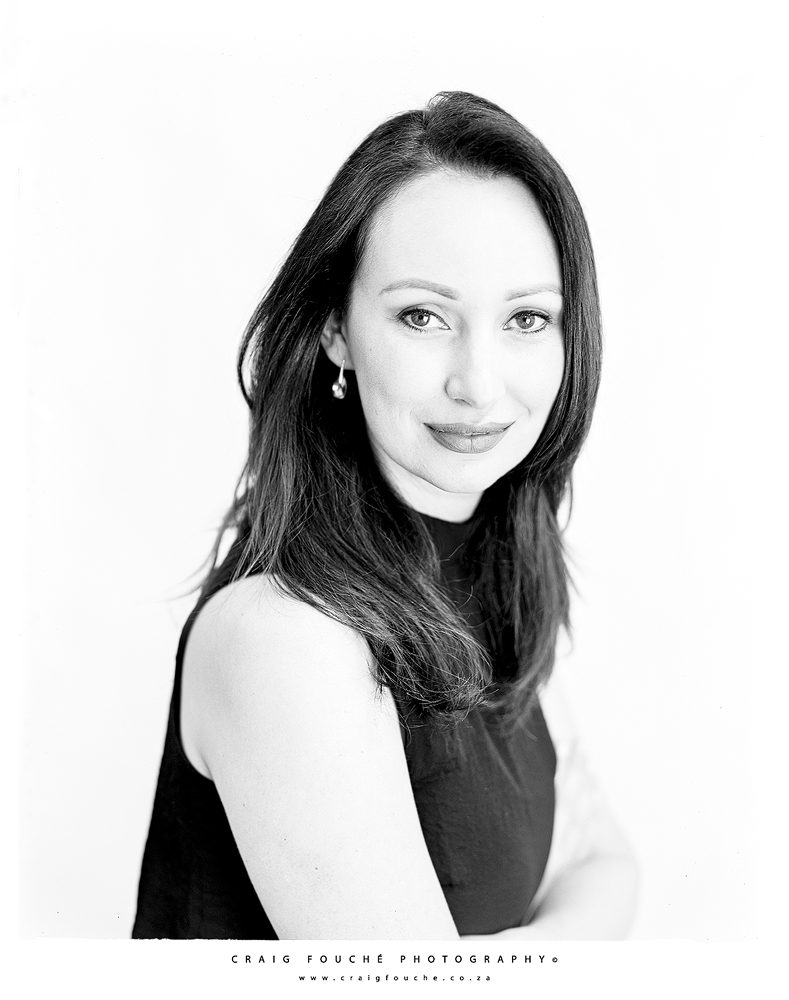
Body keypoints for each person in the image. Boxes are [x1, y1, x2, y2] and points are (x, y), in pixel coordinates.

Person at [132, 91, 638, 940]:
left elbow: (606, 865)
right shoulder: (284, 636)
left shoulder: (488, 579)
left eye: (525, 318)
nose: (477, 383)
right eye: (421, 316)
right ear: (335, 327)